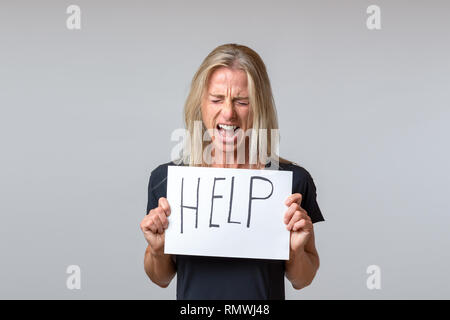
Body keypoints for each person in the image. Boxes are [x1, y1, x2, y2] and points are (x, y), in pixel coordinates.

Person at [140, 43, 324, 299]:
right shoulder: (167, 180)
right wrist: (158, 250)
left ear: (259, 106)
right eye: (216, 99)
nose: (228, 113)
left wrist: (295, 251)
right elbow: (160, 278)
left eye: (242, 101)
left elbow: (302, 279)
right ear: (200, 103)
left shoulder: (292, 181)